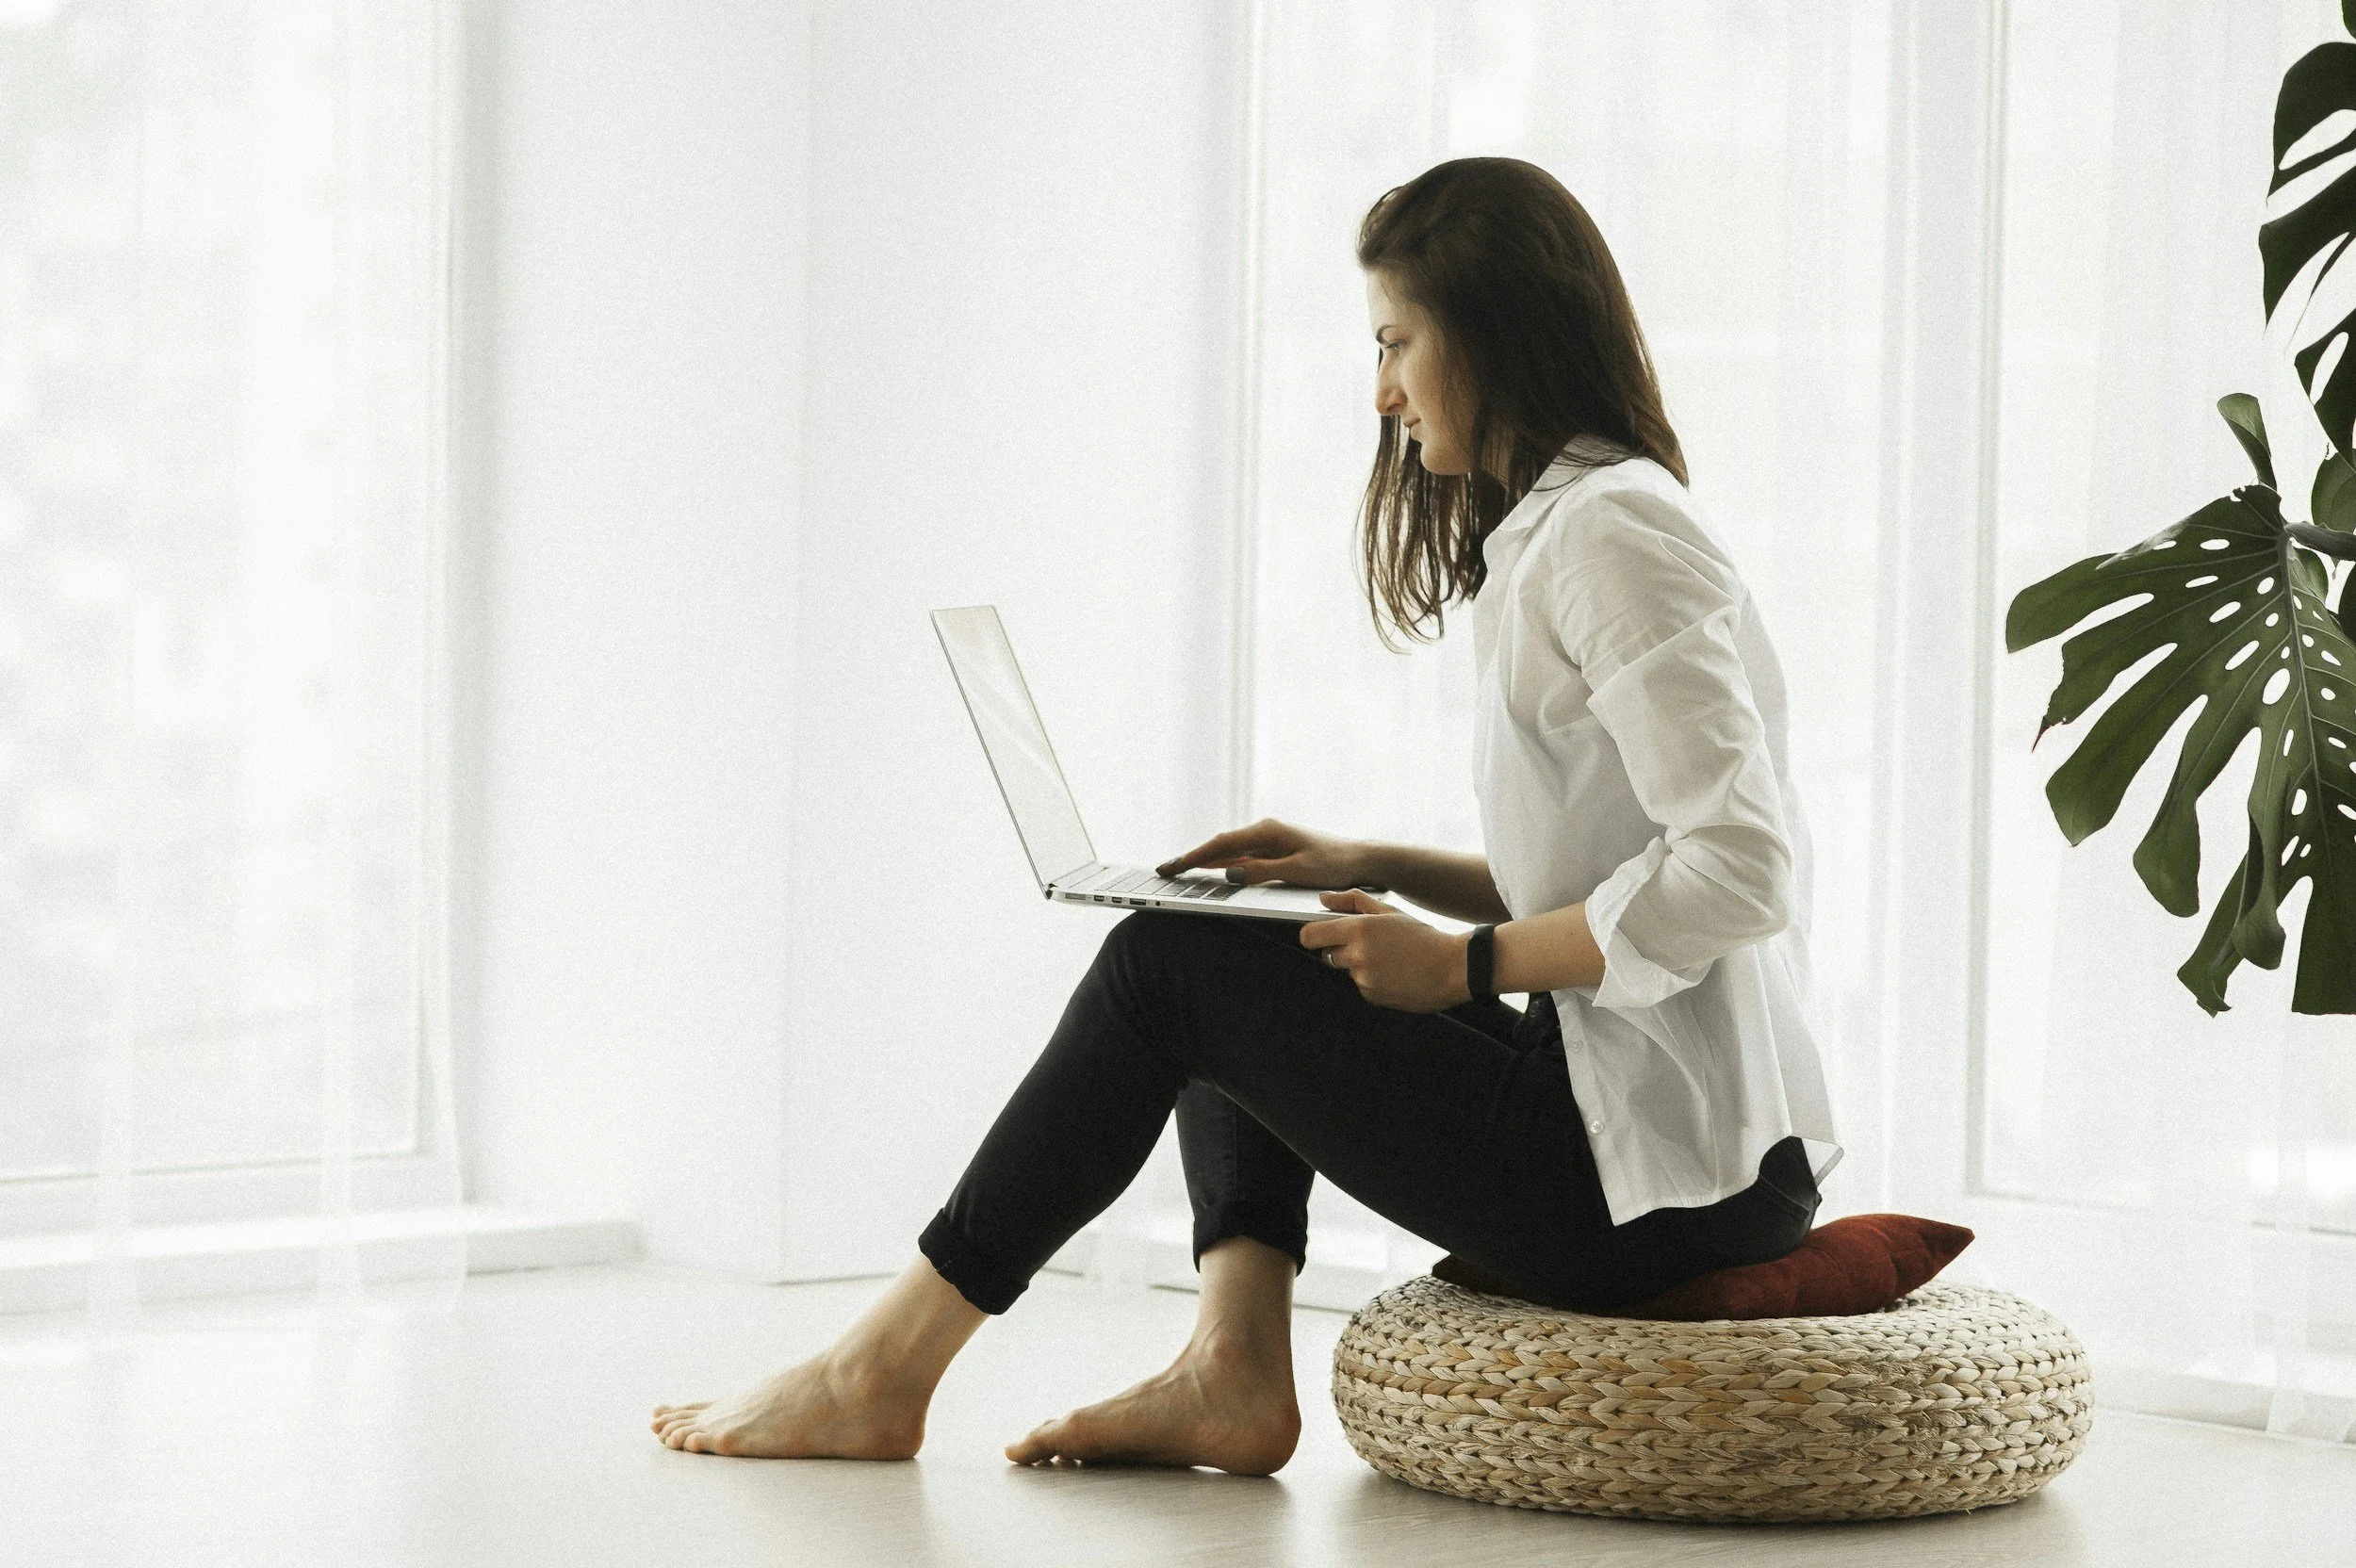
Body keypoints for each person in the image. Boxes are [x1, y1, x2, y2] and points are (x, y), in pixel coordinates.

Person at [650, 155, 1841, 1473]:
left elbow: (1737, 872)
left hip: (1665, 1191)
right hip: (1644, 1143)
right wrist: (1371, 865)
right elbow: (1621, 873)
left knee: (1169, 968)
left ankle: (880, 1372)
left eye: (1397, 343)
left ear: (1494, 334)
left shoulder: (1613, 532)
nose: (1382, 389)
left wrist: (1465, 966)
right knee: (1257, 926)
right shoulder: (1567, 528)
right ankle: (1229, 1367)